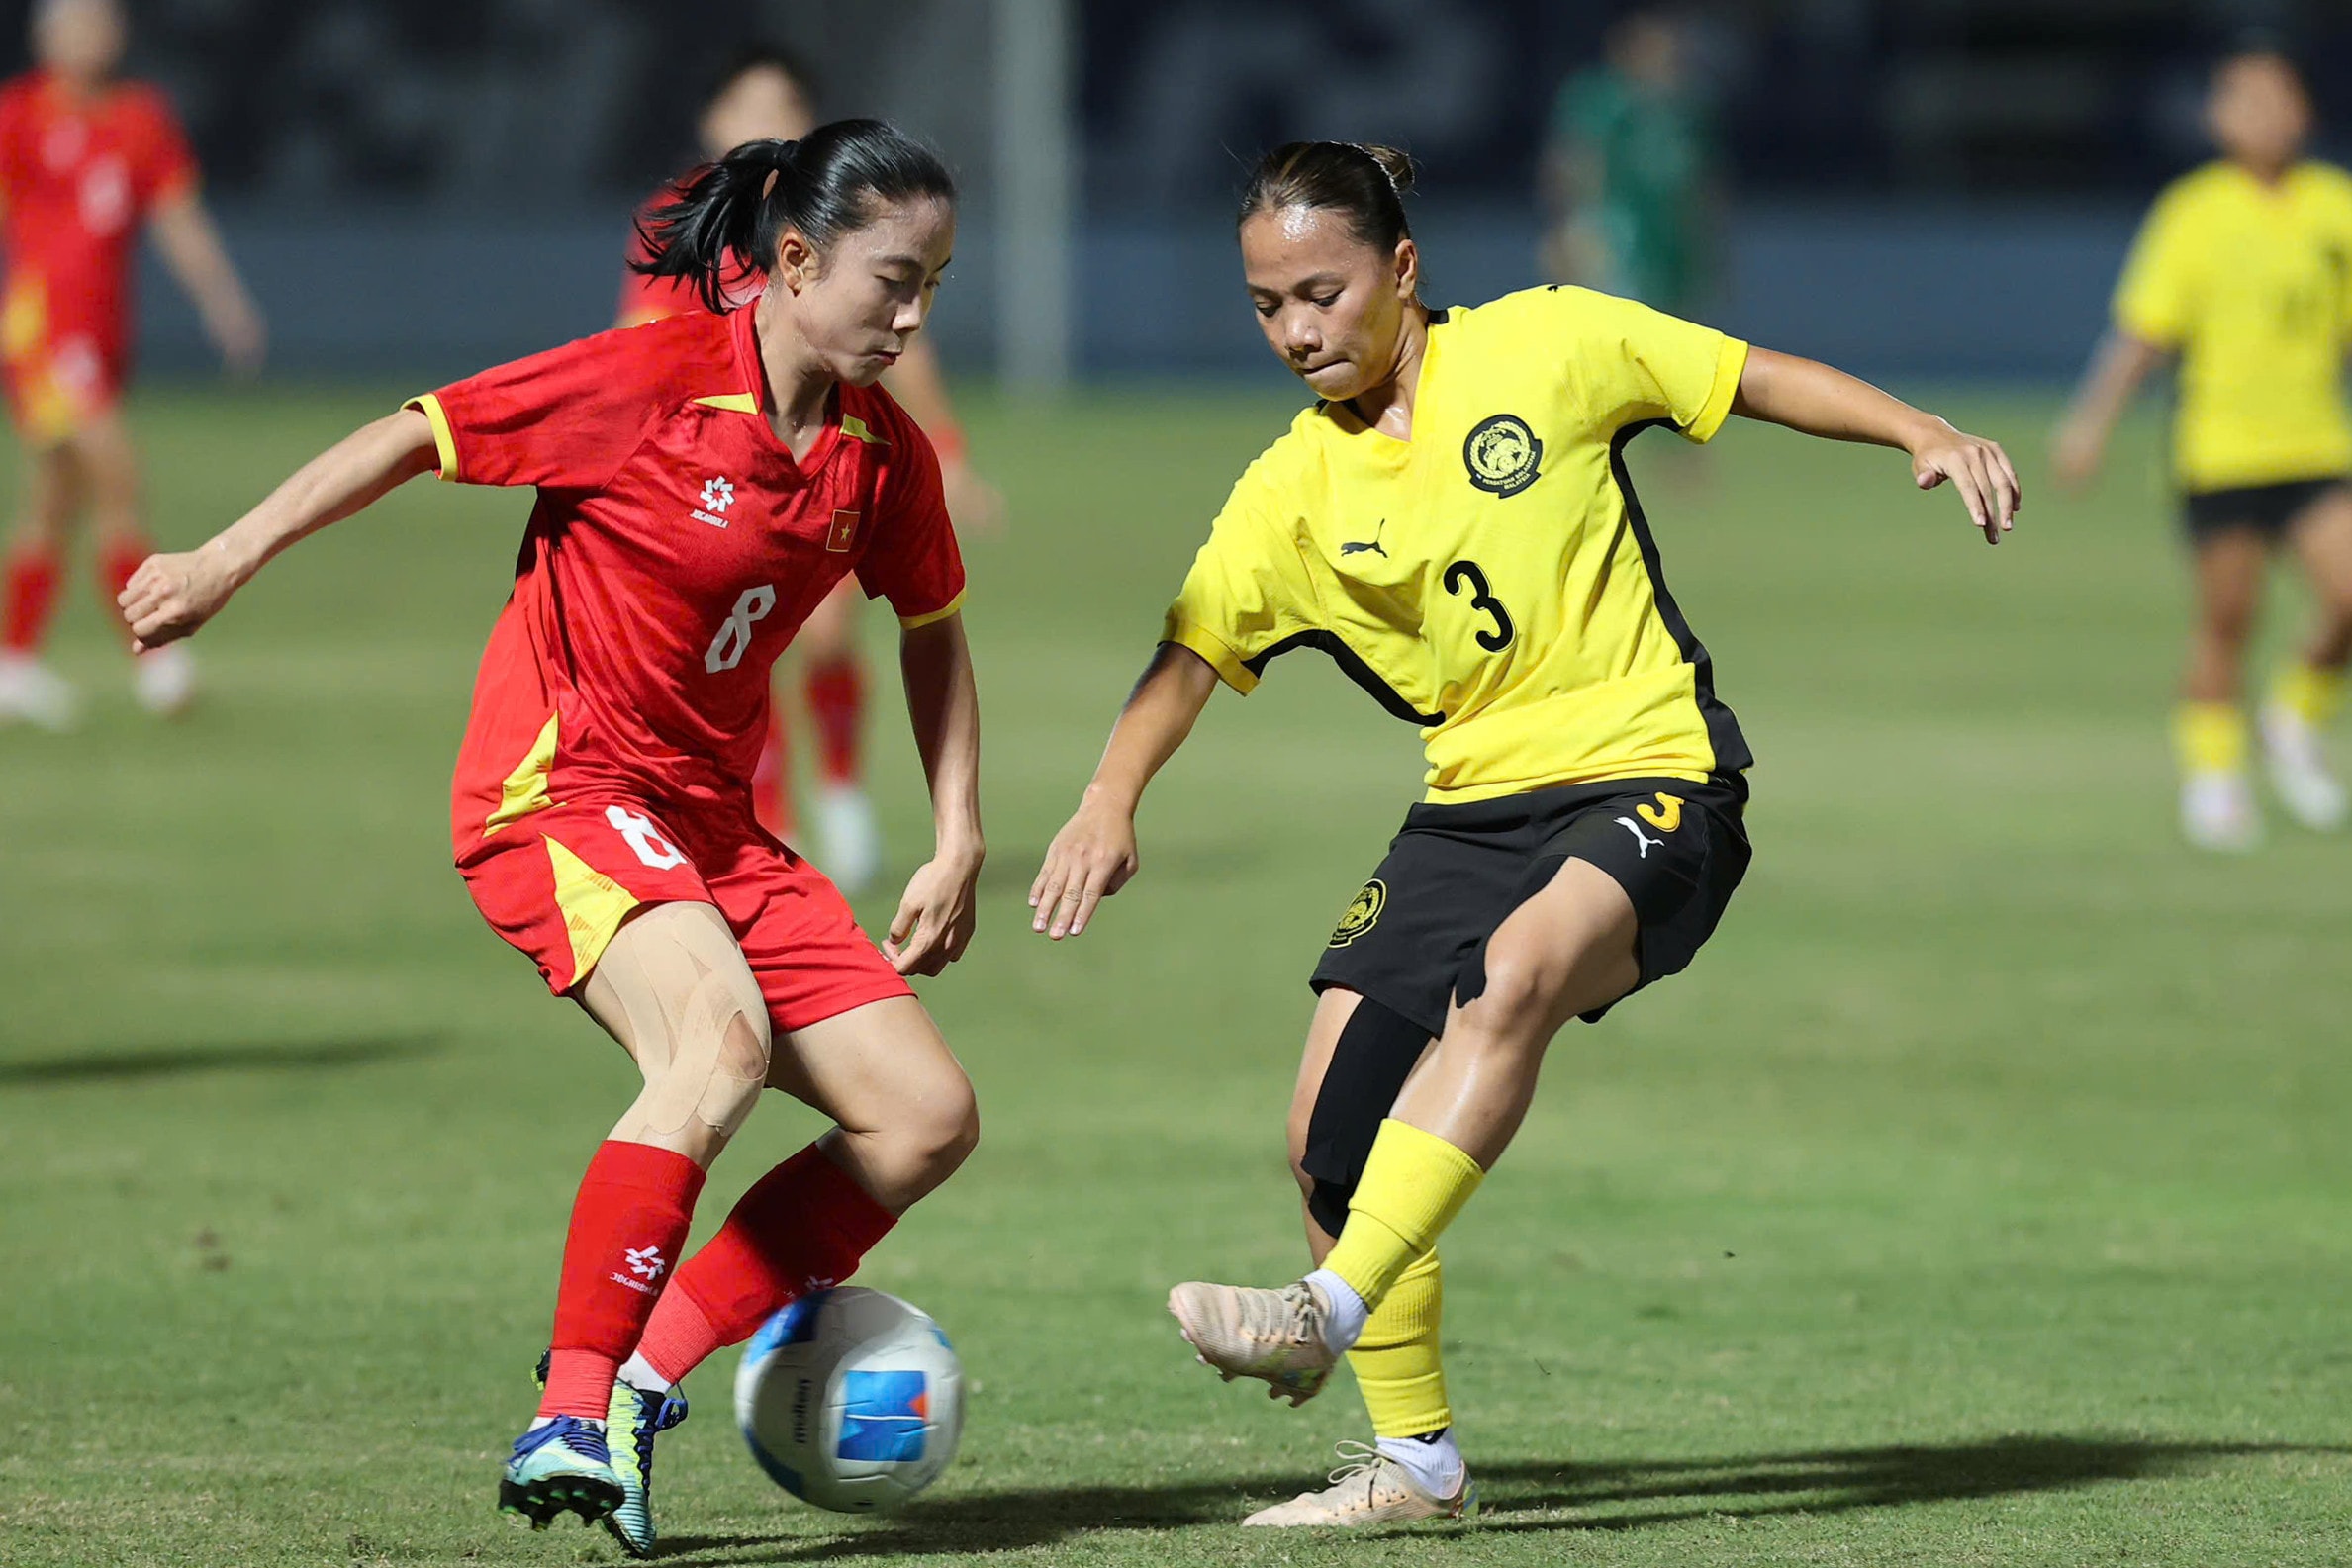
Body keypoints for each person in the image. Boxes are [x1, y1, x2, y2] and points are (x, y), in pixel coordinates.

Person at [1030, 141, 2018, 1527]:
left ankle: (1321, 1312)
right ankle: (1417, 1466)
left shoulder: (1548, 341)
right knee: (1328, 1138)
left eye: (1321, 292)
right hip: (1469, 811)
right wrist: (1107, 797)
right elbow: (1188, 654)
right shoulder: (1289, 491)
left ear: (1403, 269)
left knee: (1512, 978)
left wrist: (1921, 429)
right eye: (1265, 305)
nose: (1296, 330)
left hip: (1653, 776)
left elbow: (1747, 376)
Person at [118, 121, 984, 1557]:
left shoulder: (877, 458)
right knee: (716, 1046)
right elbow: (420, 431)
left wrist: (956, 832)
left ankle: (642, 1385)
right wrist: (222, 557)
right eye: (893, 281)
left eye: (934, 286)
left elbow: (935, 625)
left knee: (922, 1115)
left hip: (712, 826)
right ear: (792, 259)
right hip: (561, 792)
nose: (912, 317)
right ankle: (568, 1410)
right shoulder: (654, 379)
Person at [620, 43, 1004, 890]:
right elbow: (639, 348)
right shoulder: (686, 218)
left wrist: (948, 454)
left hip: (820, 454)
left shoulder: (840, 216)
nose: (766, 123)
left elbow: (903, 341)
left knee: (828, 632)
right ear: (712, 121)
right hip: (715, 474)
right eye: (748, 107)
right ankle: (767, 816)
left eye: (784, 106)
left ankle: (840, 788)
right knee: (739, 653)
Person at [2053, 46, 2352, 850]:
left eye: (2277, 100)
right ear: (2217, 119)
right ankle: (2213, 775)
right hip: (2222, 450)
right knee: (2227, 618)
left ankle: (2293, 716)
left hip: (2315, 444)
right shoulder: (2193, 211)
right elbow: (2142, 335)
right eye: (2244, 102)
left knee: (2348, 596)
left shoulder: (2334, 206)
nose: (2264, 117)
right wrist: (2089, 425)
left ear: (2303, 111)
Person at [0, 0, 263, 728]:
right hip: (45, 335)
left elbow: (177, 218)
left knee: (55, 499)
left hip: (106, 337)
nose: (92, 36)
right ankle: (156, 657)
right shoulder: (19, 115)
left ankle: (12, 664)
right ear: (45, 36)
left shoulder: (140, 119)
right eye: (76, 23)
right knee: (119, 476)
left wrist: (223, 300)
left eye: (101, 22)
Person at [1540, 7, 1715, 316]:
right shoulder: (1600, 99)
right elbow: (1571, 165)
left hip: (1672, 243)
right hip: (1616, 237)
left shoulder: (1690, 109)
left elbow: (1705, 181)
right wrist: (1571, 230)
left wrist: (1710, 247)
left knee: (1675, 329)